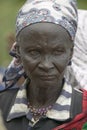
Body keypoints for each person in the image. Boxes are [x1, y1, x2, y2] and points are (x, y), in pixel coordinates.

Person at [0, 0, 87, 130]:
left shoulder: (83, 112)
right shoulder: (3, 106)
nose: (46, 65)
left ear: (71, 53)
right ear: (18, 51)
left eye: (58, 52)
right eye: (34, 52)